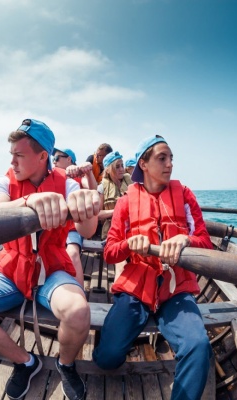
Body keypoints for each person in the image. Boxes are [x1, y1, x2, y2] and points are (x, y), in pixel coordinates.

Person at [0, 119, 100, 400]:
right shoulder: (3, 182)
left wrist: (86, 206)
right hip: (12, 271)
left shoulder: (68, 185)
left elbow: (88, 231)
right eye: (11, 154)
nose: (13, 161)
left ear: (42, 157)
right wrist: (28, 201)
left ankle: (66, 364)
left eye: (19, 154)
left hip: (52, 270)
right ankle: (26, 361)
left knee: (78, 312)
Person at [92, 135, 213, 400]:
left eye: (171, 158)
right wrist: (128, 245)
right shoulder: (126, 202)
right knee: (107, 357)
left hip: (176, 288)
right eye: (162, 158)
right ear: (143, 164)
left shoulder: (185, 195)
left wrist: (186, 239)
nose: (170, 164)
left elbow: (206, 242)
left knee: (198, 346)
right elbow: (110, 252)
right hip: (136, 287)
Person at [52, 148, 97, 286]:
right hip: (54, 227)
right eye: (53, 159)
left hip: (72, 227)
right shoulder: (50, 176)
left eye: (57, 158)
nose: (54, 161)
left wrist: (88, 172)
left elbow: (93, 190)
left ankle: (79, 292)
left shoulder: (79, 177)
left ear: (69, 159)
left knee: (72, 253)